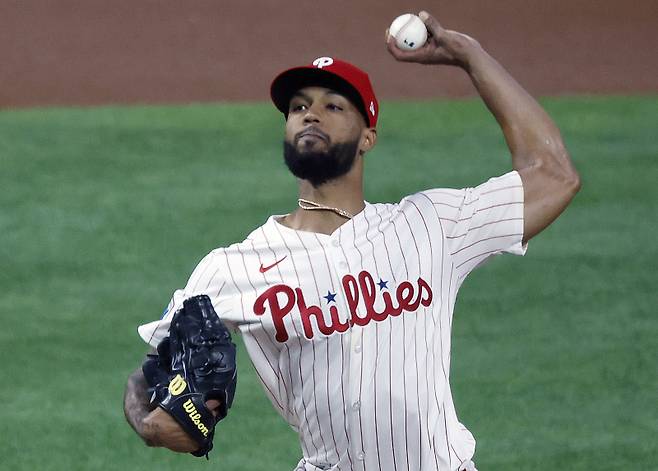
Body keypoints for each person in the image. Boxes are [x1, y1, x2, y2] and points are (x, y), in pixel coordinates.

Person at [123, 10, 580, 471]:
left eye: (333, 106)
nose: (310, 115)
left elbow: (554, 175)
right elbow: (151, 369)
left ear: (368, 138)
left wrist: (469, 55)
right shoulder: (232, 268)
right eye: (298, 107)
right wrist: (147, 422)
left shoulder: (431, 225)